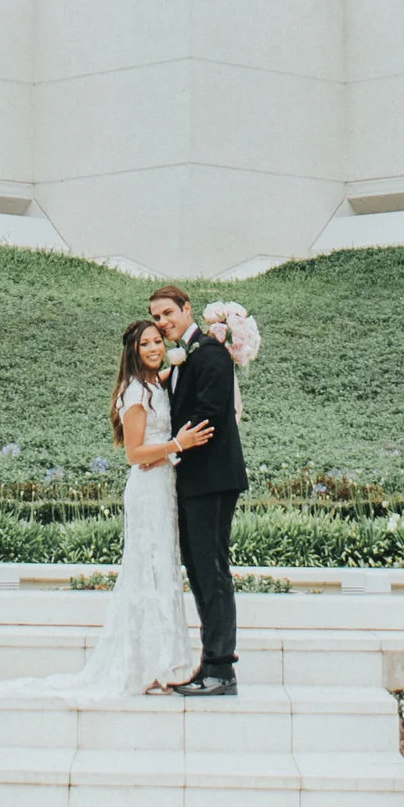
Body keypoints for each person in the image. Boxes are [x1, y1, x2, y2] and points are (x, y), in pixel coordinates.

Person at [68, 316, 211, 702]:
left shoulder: (153, 384)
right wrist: (177, 444)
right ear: (132, 351)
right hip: (148, 489)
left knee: (162, 568)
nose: (154, 348)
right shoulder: (135, 392)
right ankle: (146, 664)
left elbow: (171, 374)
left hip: (163, 484)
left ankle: (163, 661)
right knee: (147, 568)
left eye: (157, 342)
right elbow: (134, 454)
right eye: (145, 344)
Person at [150, 282, 247, 698]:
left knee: (212, 571)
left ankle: (221, 669)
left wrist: (169, 448)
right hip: (194, 481)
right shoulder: (183, 358)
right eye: (156, 317)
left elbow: (209, 418)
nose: (162, 322)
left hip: (213, 480)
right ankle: (209, 664)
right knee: (199, 570)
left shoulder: (209, 354)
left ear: (187, 309)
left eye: (168, 313)